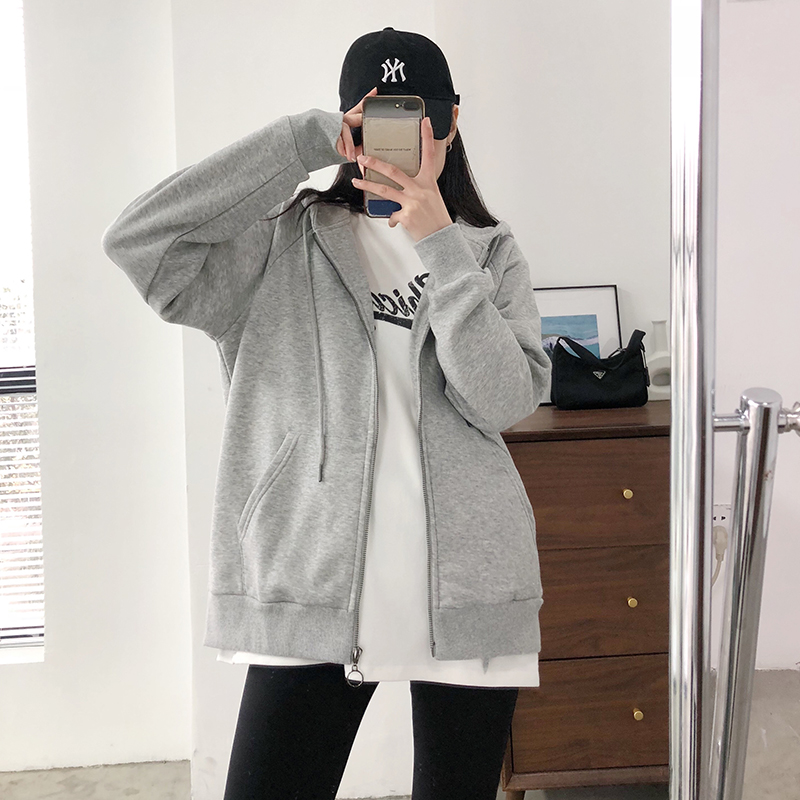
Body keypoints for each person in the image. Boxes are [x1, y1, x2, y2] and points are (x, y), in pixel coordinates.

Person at [101, 26, 551, 800]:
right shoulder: (277, 248)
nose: (400, 138)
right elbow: (141, 241)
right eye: (377, 118)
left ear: (449, 123)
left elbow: (504, 401)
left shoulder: (487, 251)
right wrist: (301, 142)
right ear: (349, 123)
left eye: (418, 116)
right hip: (310, 589)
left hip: (470, 594)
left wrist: (439, 241)